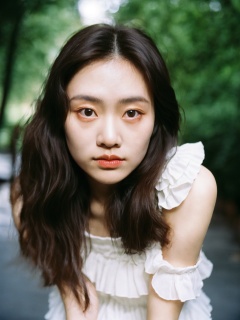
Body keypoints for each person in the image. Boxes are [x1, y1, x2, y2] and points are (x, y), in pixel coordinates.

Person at [11, 24, 217, 320]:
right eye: (87, 111)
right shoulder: (31, 192)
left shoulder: (186, 188)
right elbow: (70, 290)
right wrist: (75, 302)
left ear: (157, 118)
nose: (109, 137)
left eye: (132, 113)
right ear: (59, 116)